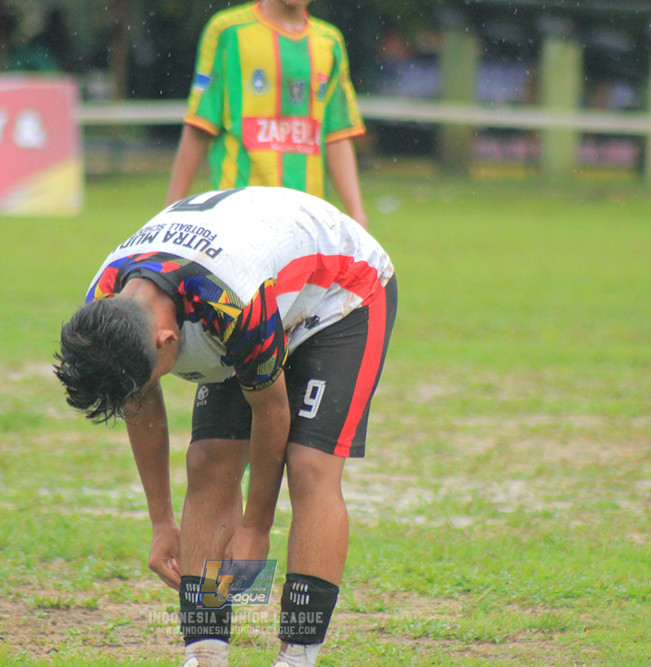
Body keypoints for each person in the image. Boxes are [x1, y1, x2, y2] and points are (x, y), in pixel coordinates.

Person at [54, 187, 396, 667]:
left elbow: (271, 411)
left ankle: (297, 656)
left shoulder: (229, 303)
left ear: (167, 338)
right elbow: (140, 401)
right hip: (256, 285)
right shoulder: (106, 307)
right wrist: (160, 521)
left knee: (309, 466)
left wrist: (256, 529)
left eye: (150, 377)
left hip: (340, 292)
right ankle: (206, 654)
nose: (144, 390)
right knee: (210, 460)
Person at [166, 0, 369, 228]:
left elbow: (337, 135)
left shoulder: (329, 42)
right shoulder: (228, 31)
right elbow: (199, 124)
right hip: (238, 213)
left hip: (308, 219)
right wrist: (170, 213)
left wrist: (357, 214)